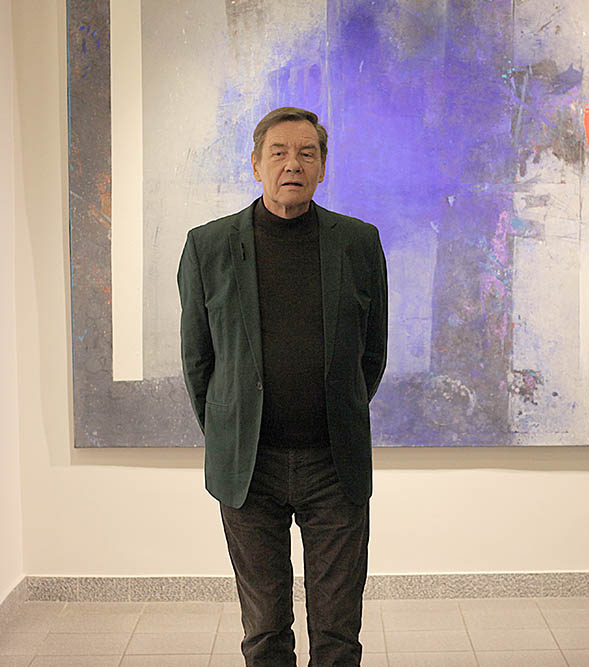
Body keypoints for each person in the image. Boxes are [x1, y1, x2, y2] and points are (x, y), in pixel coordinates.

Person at [178, 107, 388, 666]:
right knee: (265, 630)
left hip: (334, 463)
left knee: (338, 633)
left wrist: (336, 410)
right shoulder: (208, 246)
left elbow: (372, 352)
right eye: (279, 153)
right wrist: (232, 428)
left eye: (306, 153)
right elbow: (198, 360)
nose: (292, 164)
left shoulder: (359, 243)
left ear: (322, 168)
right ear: (256, 165)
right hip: (250, 467)